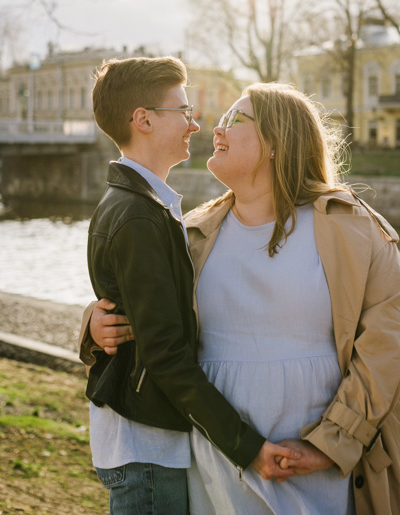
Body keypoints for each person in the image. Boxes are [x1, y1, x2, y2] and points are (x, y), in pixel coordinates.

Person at [90, 82, 400, 514]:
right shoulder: (190, 234)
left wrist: (329, 445)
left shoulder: (353, 227)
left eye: (236, 120)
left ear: (276, 141)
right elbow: (143, 306)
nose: (216, 128)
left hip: (321, 469)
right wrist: (93, 322)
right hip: (216, 464)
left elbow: (389, 342)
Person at [80, 58, 298, 515]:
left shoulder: (147, 207)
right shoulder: (139, 216)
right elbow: (165, 355)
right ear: (143, 120)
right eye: (183, 111)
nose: (195, 124)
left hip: (147, 438)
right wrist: (248, 446)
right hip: (148, 444)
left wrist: (89, 326)